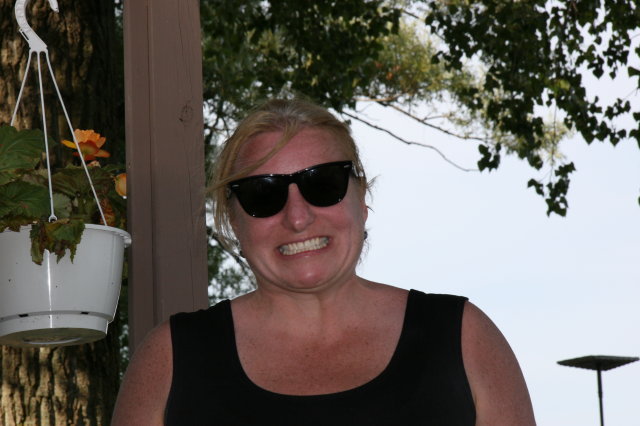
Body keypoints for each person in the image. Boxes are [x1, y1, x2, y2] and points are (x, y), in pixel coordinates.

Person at [111, 98, 536, 425]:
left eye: (324, 184)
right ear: (233, 221)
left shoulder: (464, 338)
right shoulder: (170, 359)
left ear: (361, 200)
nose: (298, 217)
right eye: (263, 193)